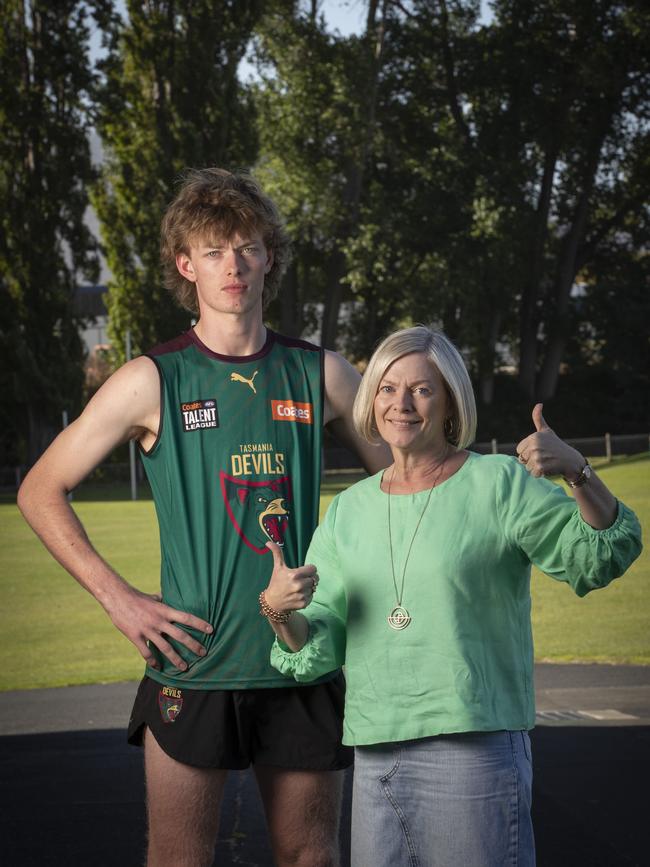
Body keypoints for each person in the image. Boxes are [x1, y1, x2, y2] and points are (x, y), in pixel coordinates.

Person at [17, 168, 390, 867]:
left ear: (269, 257)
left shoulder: (322, 373)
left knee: (312, 854)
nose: (233, 265)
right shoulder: (150, 379)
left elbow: (409, 481)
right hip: (195, 663)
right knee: (179, 857)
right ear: (185, 265)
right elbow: (40, 488)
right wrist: (120, 600)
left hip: (300, 661)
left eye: (247, 246)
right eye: (214, 251)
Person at [261, 325, 642, 867]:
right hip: (375, 751)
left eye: (422, 389)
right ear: (372, 401)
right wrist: (277, 611)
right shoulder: (349, 509)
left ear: (449, 402)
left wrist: (578, 472)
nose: (402, 404)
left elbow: (600, 554)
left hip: (472, 751)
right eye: (388, 388)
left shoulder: (497, 483)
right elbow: (317, 641)